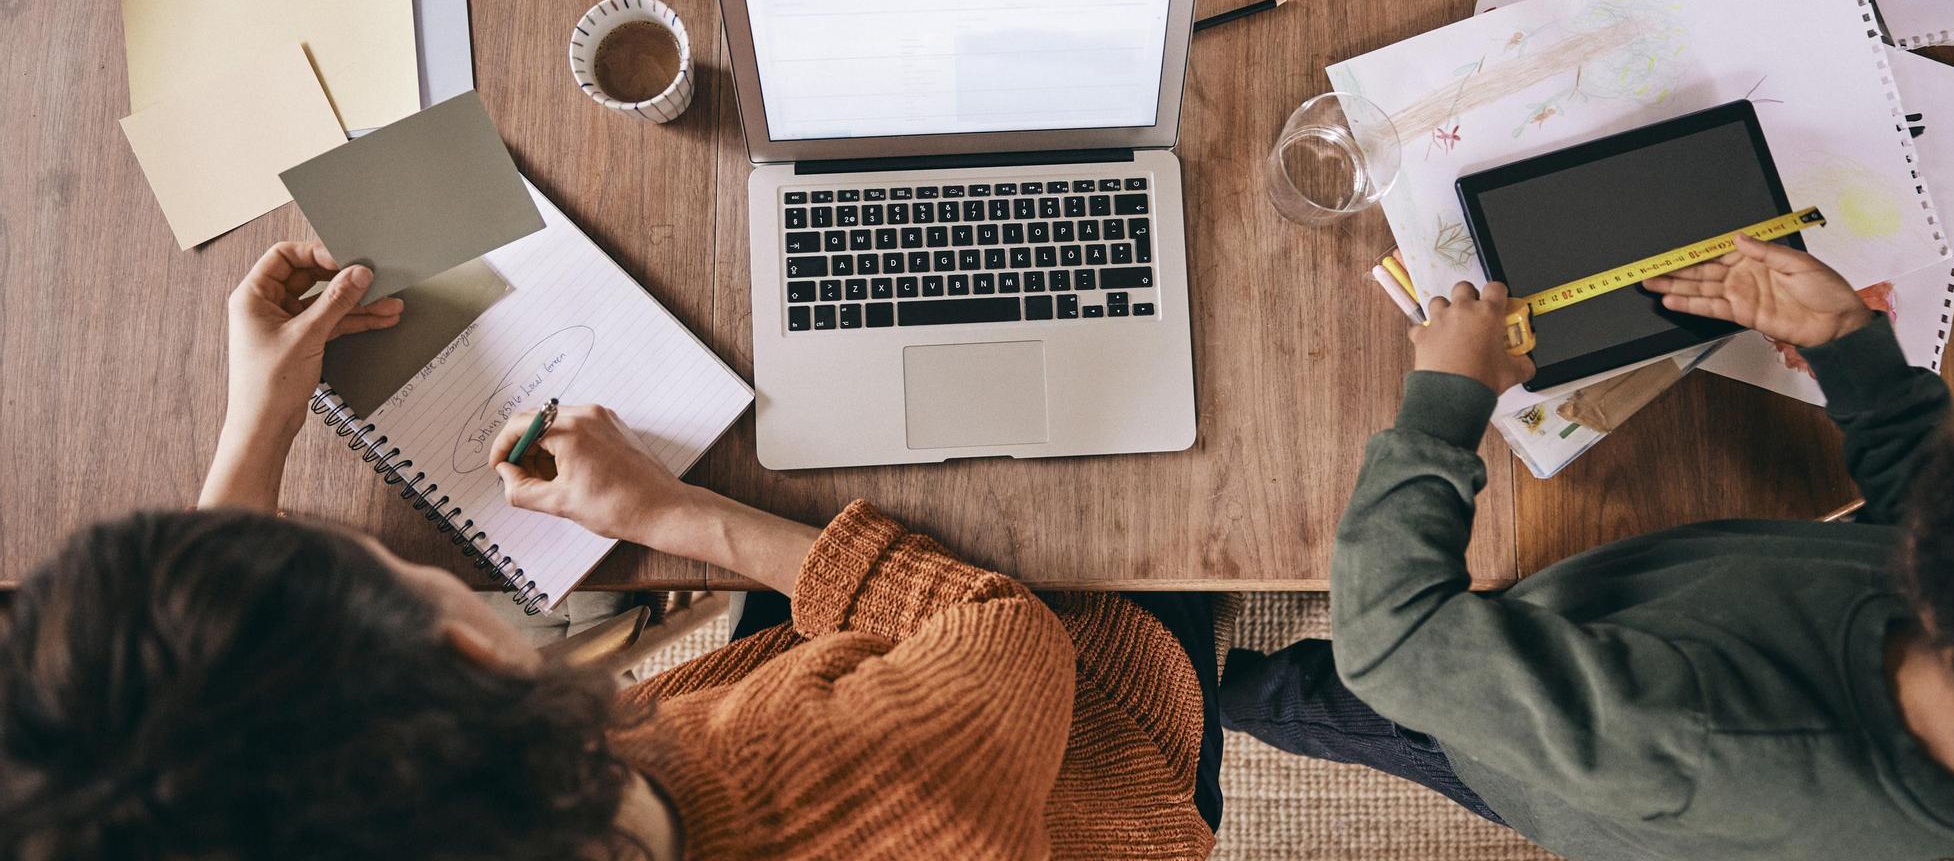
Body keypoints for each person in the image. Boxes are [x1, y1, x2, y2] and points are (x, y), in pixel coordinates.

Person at [0, 242, 1221, 860]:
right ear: (474, 657)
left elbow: (211, 744)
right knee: (1142, 568)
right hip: (1078, 741)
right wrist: (665, 514)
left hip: (800, 700)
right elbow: (999, 631)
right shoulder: (864, 791)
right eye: (370, 570)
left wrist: (262, 412)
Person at [1221, 234, 1954, 859]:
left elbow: (1394, 644)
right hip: (1636, 624)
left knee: (1346, 704)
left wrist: (1444, 403)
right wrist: (1851, 350)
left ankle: (1228, 696)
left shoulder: (1706, 742)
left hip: (1519, 751)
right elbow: (1925, 519)